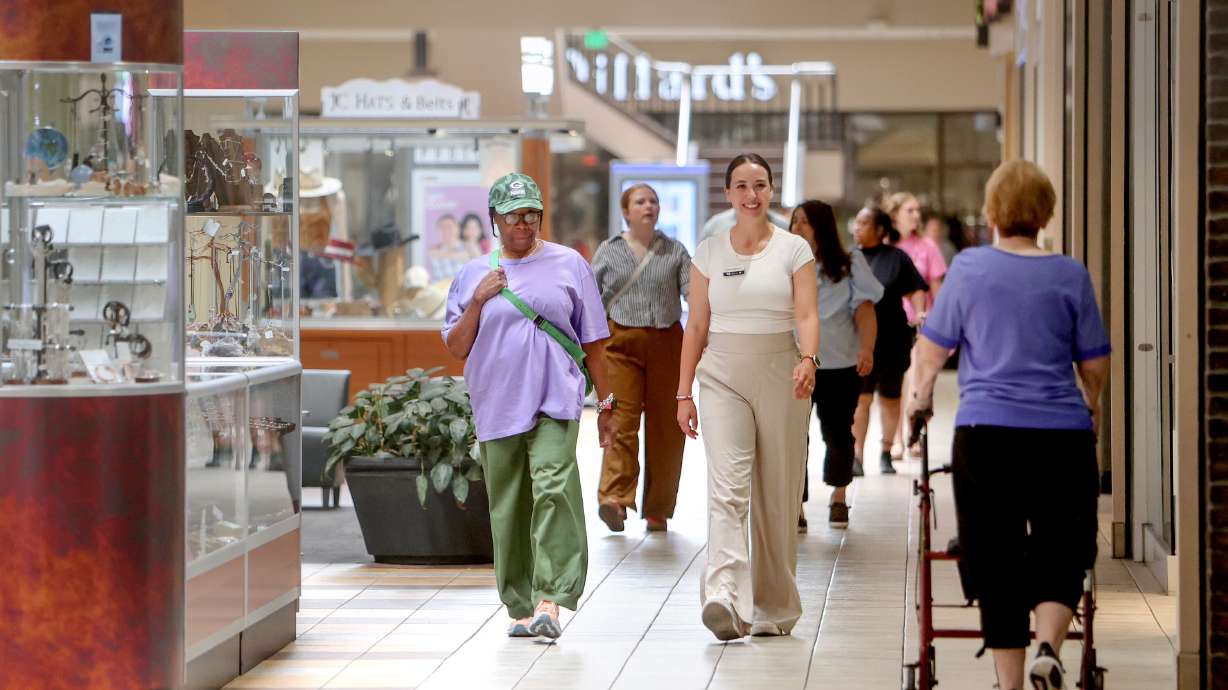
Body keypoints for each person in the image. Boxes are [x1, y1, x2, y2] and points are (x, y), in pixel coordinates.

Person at [907, 160, 1110, 690]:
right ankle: (1048, 645)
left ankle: (1011, 682)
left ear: (992, 210)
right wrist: (1092, 406)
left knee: (993, 554)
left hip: (987, 435)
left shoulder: (970, 269)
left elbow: (929, 357)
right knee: (1063, 543)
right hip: (1061, 436)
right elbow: (1094, 365)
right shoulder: (1070, 273)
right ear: (1045, 213)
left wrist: (916, 407)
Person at [442, 172, 616, 641]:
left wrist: (608, 404)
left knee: (554, 487)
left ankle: (551, 598)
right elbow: (457, 346)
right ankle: (518, 604)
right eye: (514, 215)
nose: (524, 223)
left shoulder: (569, 264)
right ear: (494, 219)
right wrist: (478, 301)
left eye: (532, 214)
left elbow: (594, 342)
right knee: (508, 504)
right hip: (497, 402)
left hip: (555, 398)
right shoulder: (473, 273)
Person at [676, 153, 819, 641]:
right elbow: (695, 325)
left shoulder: (794, 249)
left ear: (772, 190)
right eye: (741, 185)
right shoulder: (710, 251)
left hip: (783, 372)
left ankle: (775, 606)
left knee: (777, 494)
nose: (751, 194)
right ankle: (725, 598)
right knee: (728, 488)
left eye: (759, 184)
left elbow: (806, 315)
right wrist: (683, 393)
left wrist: (809, 360)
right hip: (721, 377)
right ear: (729, 193)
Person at [591, 183, 691, 533]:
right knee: (620, 418)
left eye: (653, 201)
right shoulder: (609, 250)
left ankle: (658, 508)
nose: (649, 206)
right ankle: (615, 500)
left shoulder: (674, 250)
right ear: (626, 211)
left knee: (668, 428)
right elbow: (591, 298)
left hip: (668, 342)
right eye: (640, 201)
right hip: (620, 344)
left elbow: (693, 292)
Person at [789, 200, 882, 529]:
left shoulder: (849, 263)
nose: (797, 228)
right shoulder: (783, 263)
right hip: (795, 365)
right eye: (794, 221)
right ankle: (795, 505)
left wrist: (867, 348)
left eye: (805, 222)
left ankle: (839, 496)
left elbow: (865, 309)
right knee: (792, 437)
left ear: (822, 226)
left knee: (839, 433)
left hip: (839, 362)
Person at [850, 207, 927, 475]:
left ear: (881, 230)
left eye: (864, 223)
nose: (857, 227)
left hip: (893, 339)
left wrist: (919, 313)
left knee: (890, 398)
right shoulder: (850, 257)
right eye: (856, 223)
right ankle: (856, 455)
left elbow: (917, 288)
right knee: (861, 399)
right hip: (858, 340)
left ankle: (885, 452)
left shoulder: (896, 258)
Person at [884, 192, 946, 459]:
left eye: (917, 210)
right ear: (894, 214)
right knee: (896, 383)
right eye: (909, 210)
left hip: (921, 324)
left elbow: (937, 289)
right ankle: (895, 438)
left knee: (919, 383)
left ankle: (914, 435)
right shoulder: (886, 246)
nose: (916, 215)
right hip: (892, 323)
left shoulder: (928, 247)